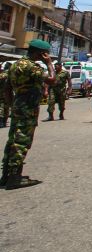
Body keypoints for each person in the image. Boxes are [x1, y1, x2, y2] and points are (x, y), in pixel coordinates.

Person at [1, 39, 56, 190]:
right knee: (22, 142)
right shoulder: (32, 67)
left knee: (12, 140)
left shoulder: (14, 66)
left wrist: (12, 105)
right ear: (41, 53)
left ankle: (6, 175)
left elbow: (6, 88)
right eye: (45, 54)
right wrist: (49, 64)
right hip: (28, 108)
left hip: (18, 106)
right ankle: (14, 178)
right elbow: (52, 79)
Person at [0, 62, 11, 128]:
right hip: (2, 95)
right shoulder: (4, 74)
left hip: (5, 94)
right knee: (2, 108)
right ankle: (2, 122)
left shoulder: (4, 74)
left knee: (6, 108)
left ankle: (3, 122)